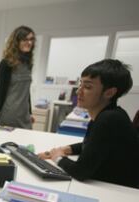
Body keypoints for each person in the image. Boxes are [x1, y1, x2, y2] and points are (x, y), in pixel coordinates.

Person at [39, 59, 139, 188]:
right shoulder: (108, 114)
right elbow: (94, 144)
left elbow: (81, 171)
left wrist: (57, 157)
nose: (78, 91)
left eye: (87, 87)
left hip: (123, 194)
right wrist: (66, 149)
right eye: (80, 85)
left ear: (109, 92)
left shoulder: (109, 119)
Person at [0, 25, 35, 129]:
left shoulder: (28, 64)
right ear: (16, 41)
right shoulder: (6, 64)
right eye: (25, 39)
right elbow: (0, 90)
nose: (29, 42)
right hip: (10, 115)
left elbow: (26, 91)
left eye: (31, 39)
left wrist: (30, 112)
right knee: (9, 144)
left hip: (25, 116)